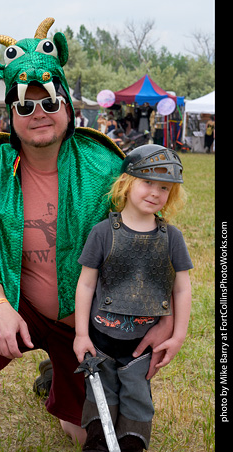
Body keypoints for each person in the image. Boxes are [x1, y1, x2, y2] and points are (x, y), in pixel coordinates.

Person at [0, 18, 175, 452]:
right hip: (17, 303)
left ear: (66, 104)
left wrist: (166, 319)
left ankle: (55, 380)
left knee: (91, 435)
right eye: (24, 106)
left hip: (85, 325)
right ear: (11, 116)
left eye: (47, 99)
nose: (38, 113)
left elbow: (149, 247)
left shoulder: (106, 170)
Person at [73, 144, 193, 451]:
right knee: (100, 392)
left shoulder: (172, 238)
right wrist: (81, 334)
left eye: (164, 187)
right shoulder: (102, 233)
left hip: (141, 346)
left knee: (137, 395)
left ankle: (132, 442)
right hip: (101, 338)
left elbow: (181, 288)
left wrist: (177, 336)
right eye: (147, 182)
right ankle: (99, 440)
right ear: (126, 182)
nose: (155, 192)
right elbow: (86, 285)